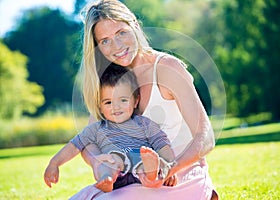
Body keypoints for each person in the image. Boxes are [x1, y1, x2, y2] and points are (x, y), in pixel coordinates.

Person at [72, 0, 219, 199]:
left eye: (121, 33)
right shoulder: (111, 82)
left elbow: (206, 137)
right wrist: (99, 162)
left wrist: (168, 170)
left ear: (135, 25)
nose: (117, 46)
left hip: (179, 176)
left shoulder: (167, 69)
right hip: (134, 181)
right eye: (105, 41)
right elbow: (89, 141)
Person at [44, 64, 177, 193]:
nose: (116, 107)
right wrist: (54, 163)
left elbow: (162, 144)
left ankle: (151, 176)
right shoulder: (96, 129)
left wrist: (170, 167)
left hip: (139, 163)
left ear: (135, 101)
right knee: (108, 161)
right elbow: (74, 146)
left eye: (123, 100)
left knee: (148, 160)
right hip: (115, 169)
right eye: (108, 102)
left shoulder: (145, 124)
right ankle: (106, 180)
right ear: (100, 106)